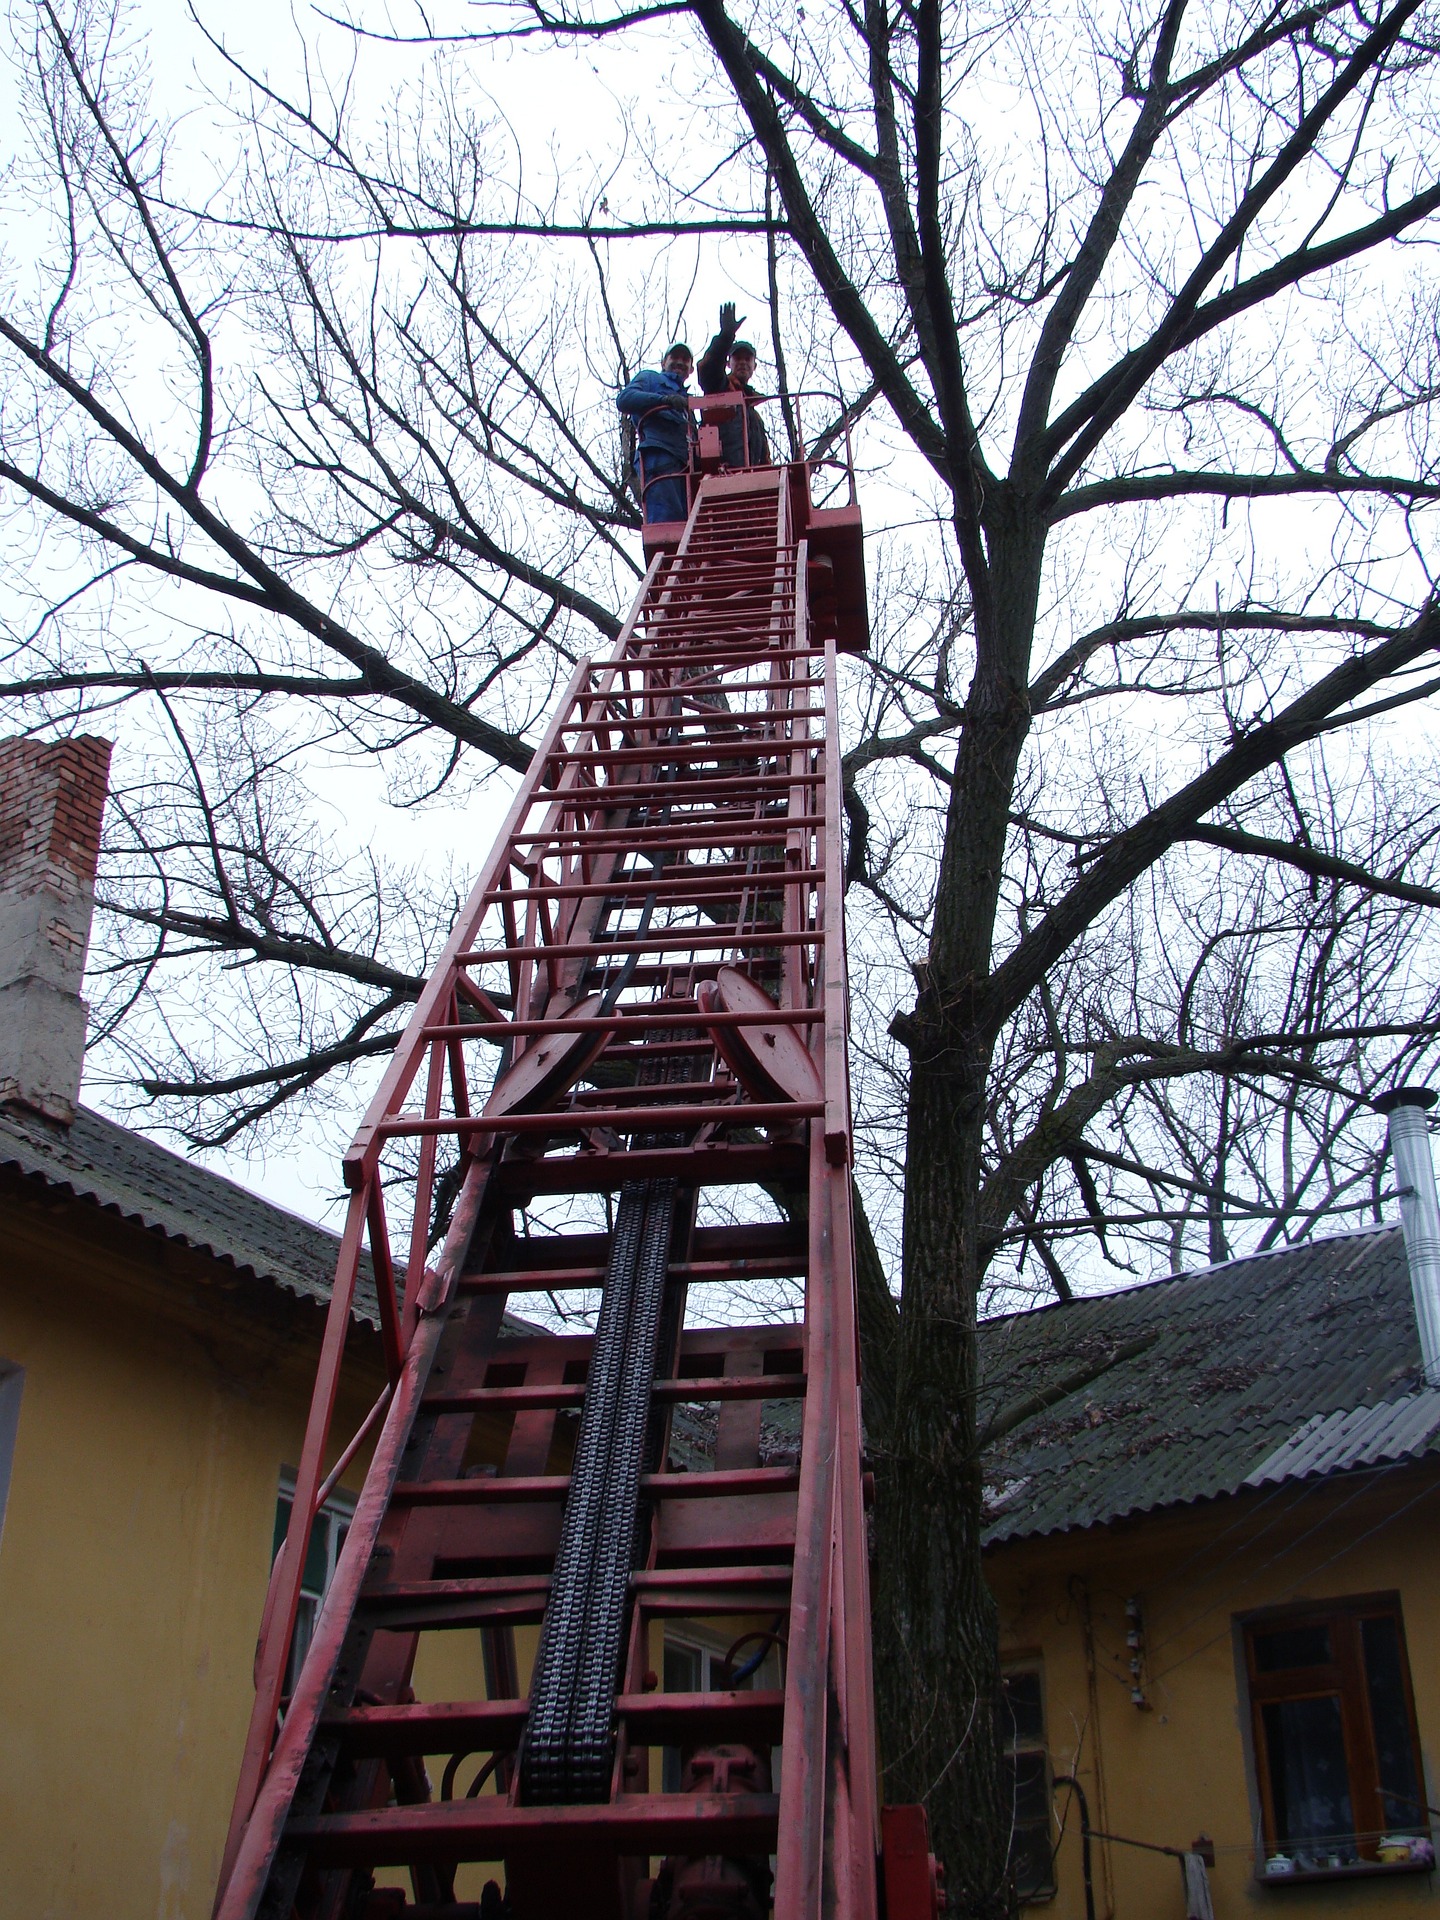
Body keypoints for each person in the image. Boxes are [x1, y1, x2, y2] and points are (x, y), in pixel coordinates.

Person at [616, 343, 696, 524]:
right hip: (659, 458)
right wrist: (664, 400)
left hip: (684, 467)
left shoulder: (688, 405)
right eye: (674, 357)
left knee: (687, 524)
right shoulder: (650, 379)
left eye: (685, 359)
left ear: (691, 369)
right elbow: (625, 399)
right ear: (663, 362)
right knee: (666, 522)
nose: (679, 362)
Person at [697, 302, 772, 468]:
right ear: (728, 364)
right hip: (722, 473)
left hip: (751, 478)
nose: (743, 363)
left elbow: (764, 456)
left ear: (754, 366)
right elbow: (708, 369)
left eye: (748, 359)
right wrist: (725, 337)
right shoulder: (721, 389)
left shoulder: (753, 415)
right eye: (738, 359)